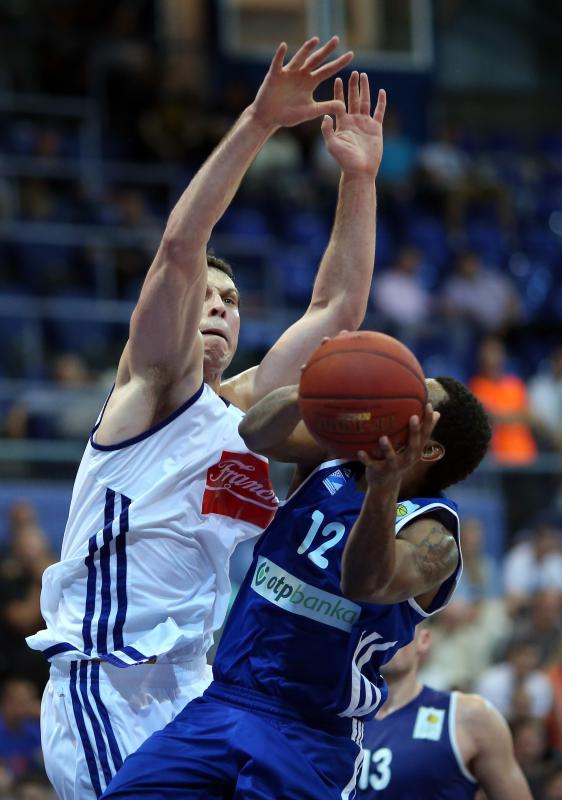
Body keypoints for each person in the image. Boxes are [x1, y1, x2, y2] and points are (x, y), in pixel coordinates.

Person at [25, 39, 389, 800]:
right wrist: (259, 121)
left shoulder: (250, 415)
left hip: (204, 695)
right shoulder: (151, 390)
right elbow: (180, 249)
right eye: (208, 300)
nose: (219, 309)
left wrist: (358, 179)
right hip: (109, 682)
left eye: (233, 304)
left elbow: (336, 311)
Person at [101, 370, 492, 799]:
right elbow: (255, 433)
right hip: (226, 700)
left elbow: (365, 581)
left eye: (417, 403)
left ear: (429, 448)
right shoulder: (336, 456)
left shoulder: (433, 537)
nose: (399, 398)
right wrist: (312, 390)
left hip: (310, 736)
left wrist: (384, 485)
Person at [357, 625, 531, 799]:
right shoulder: (334, 717)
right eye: (380, 626)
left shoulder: (469, 716)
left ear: (423, 640)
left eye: (400, 627)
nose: (389, 637)